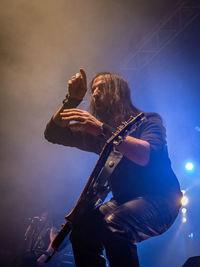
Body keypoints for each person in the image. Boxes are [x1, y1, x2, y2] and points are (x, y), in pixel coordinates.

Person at [44, 68, 182, 267]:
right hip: (123, 201)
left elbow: (145, 156)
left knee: (115, 224)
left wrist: (102, 130)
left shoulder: (148, 120)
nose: (95, 93)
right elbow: (53, 133)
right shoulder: (99, 135)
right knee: (82, 231)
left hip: (161, 200)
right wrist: (71, 100)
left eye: (102, 87)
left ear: (119, 92)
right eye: (93, 90)